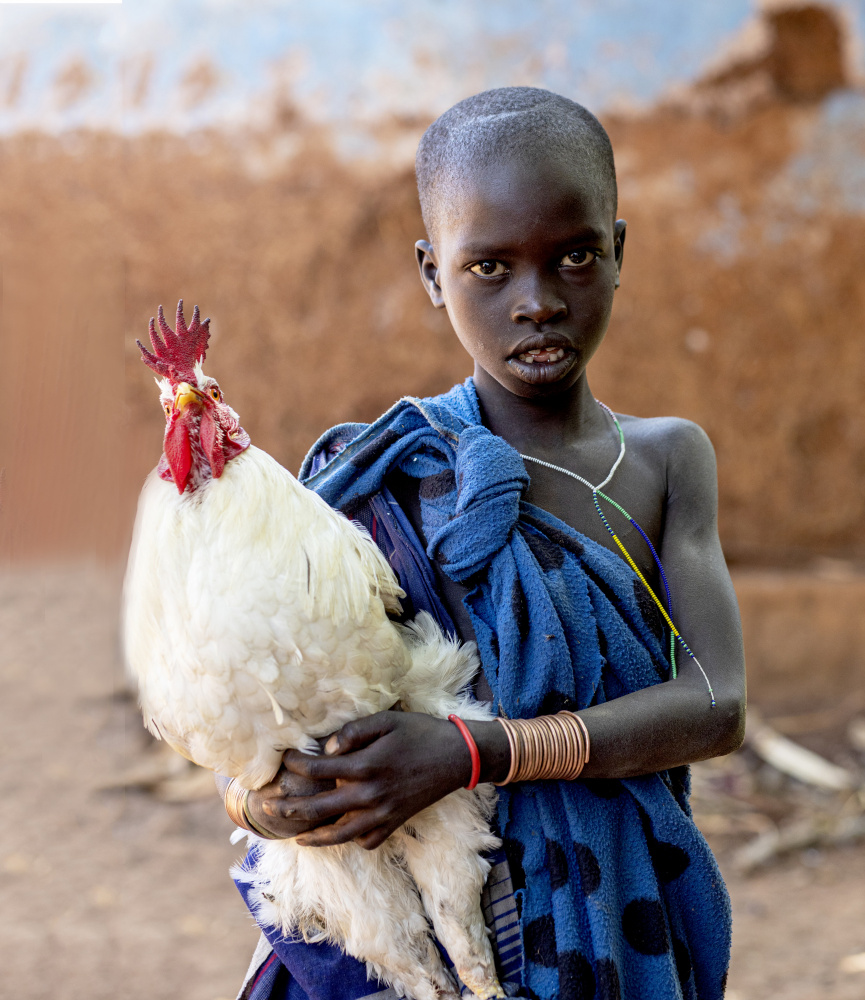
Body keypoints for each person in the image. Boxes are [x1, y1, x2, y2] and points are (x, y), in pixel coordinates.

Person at [230, 86, 746, 1000]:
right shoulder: (382, 481)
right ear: (433, 274)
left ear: (619, 253)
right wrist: (264, 801)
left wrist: (479, 753)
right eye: (490, 269)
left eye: (576, 256)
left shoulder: (667, 459)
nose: (538, 301)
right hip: (441, 927)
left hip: (617, 918)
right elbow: (276, 723)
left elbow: (715, 703)